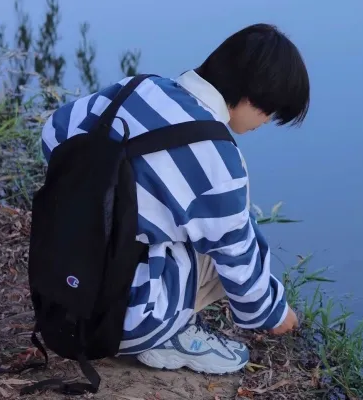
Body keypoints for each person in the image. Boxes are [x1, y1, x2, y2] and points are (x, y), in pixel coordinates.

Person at [41, 23, 309, 375]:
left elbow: (53, 132)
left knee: (192, 220)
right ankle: (170, 334)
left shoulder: (138, 87)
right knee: (236, 232)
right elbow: (239, 259)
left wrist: (110, 204)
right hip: (121, 319)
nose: (267, 121)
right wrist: (275, 314)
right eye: (270, 112)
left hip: (59, 287)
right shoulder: (218, 158)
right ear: (251, 96)